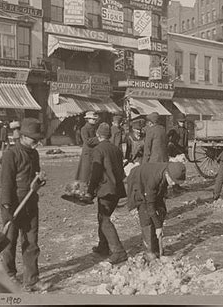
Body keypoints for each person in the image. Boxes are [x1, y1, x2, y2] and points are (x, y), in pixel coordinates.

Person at [0, 118, 51, 292]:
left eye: (38, 140)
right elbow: (6, 182)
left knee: (31, 242)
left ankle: (31, 280)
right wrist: (7, 207)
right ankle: (9, 276)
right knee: (9, 242)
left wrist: (39, 181)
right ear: (23, 136)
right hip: (13, 205)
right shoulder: (10, 154)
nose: (37, 143)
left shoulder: (34, 154)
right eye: (33, 140)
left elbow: (35, 177)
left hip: (30, 203)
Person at [85, 123, 128, 265]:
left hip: (106, 190)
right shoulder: (116, 149)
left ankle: (119, 251)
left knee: (104, 220)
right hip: (117, 190)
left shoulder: (98, 150)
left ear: (98, 135)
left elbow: (96, 172)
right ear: (109, 136)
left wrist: (90, 192)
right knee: (102, 217)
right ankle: (103, 246)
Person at [127, 162, 186, 261]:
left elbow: (159, 198)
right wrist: (158, 227)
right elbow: (150, 205)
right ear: (167, 174)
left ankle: (157, 249)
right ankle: (149, 251)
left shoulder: (169, 170)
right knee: (146, 216)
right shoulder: (154, 179)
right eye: (173, 180)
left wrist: (159, 222)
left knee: (161, 210)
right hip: (138, 184)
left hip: (152, 186)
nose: (174, 183)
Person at [75, 111, 100, 184]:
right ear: (88, 119)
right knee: (86, 172)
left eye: (95, 119)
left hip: (94, 151)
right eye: (93, 119)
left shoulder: (95, 128)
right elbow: (87, 141)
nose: (95, 120)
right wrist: (99, 138)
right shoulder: (84, 129)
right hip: (88, 153)